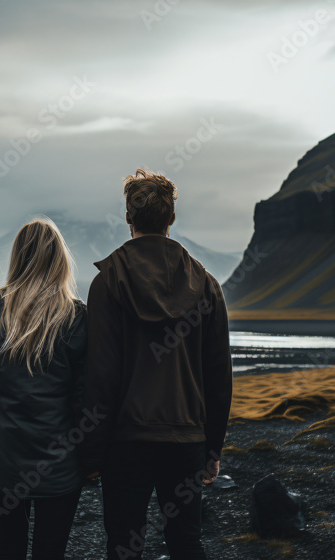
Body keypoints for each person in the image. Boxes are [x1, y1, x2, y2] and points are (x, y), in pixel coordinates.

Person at [80, 169, 233, 560]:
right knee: (186, 544)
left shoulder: (108, 281)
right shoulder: (206, 284)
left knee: (123, 546)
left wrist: (91, 453)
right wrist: (212, 448)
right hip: (187, 440)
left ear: (128, 217)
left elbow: (99, 374)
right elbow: (219, 375)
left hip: (125, 443)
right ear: (171, 219)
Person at [0, 217, 88, 560]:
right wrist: (91, 459)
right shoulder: (77, 317)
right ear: (59, 259)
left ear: (17, 257)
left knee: (7, 552)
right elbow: (86, 398)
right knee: (50, 553)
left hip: (2, 466)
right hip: (60, 466)